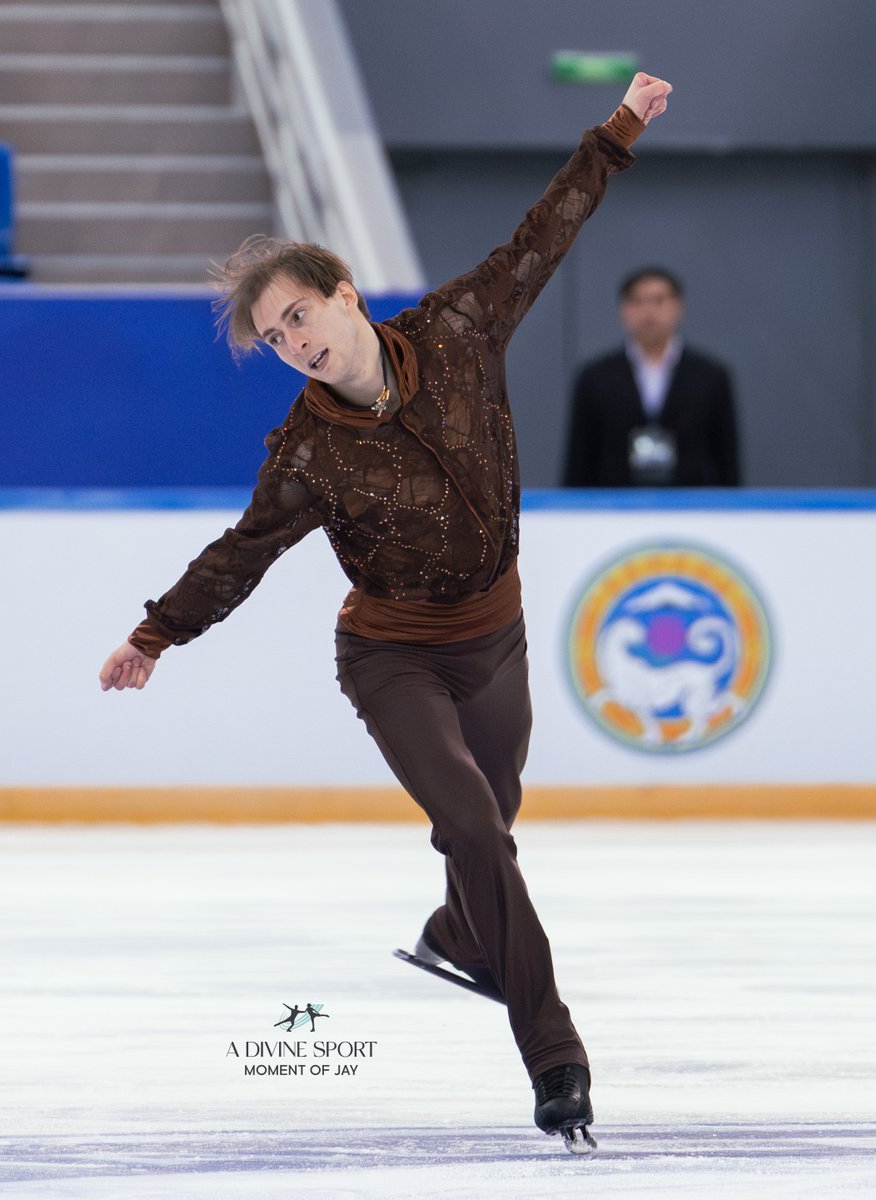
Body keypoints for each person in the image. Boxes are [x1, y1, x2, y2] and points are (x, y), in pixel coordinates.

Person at [99, 72, 673, 1151]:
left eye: (300, 316)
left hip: (494, 641)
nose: (295, 342)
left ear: (346, 292)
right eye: (275, 337)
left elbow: (544, 234)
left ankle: (458, 934)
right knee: (470, 825)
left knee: (486, 837)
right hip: (392, 658)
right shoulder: (306, 452)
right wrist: (154, 633)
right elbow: (244, 551)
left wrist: (619, 128)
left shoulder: (459, 328)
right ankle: (555, 1058)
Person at [563, 267, 741, 486]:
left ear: (678, 307)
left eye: (658, 301)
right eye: (638, 301)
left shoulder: (710, 375)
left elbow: (726, 458)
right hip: (615, 508)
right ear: (624, 310)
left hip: (689, 508)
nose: (648, 311)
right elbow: (580, 457)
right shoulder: (595, 377)